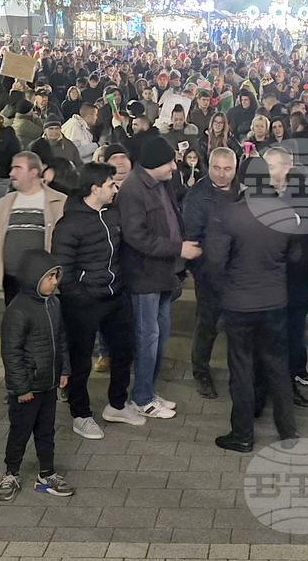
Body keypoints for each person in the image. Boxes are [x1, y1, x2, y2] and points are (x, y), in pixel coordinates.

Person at [207, 169, 298, 452]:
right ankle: (288, 432)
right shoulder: (287, 214)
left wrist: (223, 290)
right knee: (278, 366)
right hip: (275, 302)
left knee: (241, 368)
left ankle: (243, 434)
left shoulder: (229, 214)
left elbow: (214, 261)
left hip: (239, 304)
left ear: (244, 183)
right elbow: (295, 257)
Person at [52, 162, 140, 439]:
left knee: (124, 352)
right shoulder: (70, 224)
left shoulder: (113, 215)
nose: (116, 189)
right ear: (94, 188)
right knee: (81, 362)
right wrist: (81, 296)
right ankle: (81, 414)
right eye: (111, 184)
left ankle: (116, 405)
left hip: (115, 297)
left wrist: (121, 284)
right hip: (84, 303)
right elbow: (62, 270)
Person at [116, 137, 201, 419]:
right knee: (147, 336)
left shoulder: (159, 183)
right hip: (145, 277)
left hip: (164, 274)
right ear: (155, 163)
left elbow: (171, 220)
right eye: (170, 162)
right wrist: (179, 248)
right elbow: (137, 236)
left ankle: (148, 391)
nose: (174, 167)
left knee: (160, 334)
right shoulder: (133, 189)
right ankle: (141, 398)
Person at [0, 249, 74, 502]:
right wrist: (21, 389)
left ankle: (47, 474)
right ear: (32, 277)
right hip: (28, 389)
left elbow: (61, 337)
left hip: (48, 385)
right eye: (49, 277)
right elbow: (11, 353)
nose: (54, 282)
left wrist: (64, 370)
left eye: (55, 276)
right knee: (20, 431)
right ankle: (11, 473)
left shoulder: (54, 303)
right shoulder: (18, 310)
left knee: (46, 431)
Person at [181, 147, 239, 399]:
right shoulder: (197, 196)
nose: (222, 174)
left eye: (228, 169)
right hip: (210, 273)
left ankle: (239, 373)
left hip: (239, 272)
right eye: (217, 168)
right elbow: (191, 238)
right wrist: (202, 271)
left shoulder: (244, 193)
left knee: (238, 326)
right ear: (209, 166)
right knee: (207, 324)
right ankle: (200, 371)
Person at [0, 151, 67, 305]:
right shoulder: (6, 202)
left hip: (44, 281)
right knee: (14, 320)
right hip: (11, 279)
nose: (11, 173)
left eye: (17, 168)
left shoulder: (58, 201)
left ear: (33, 172)